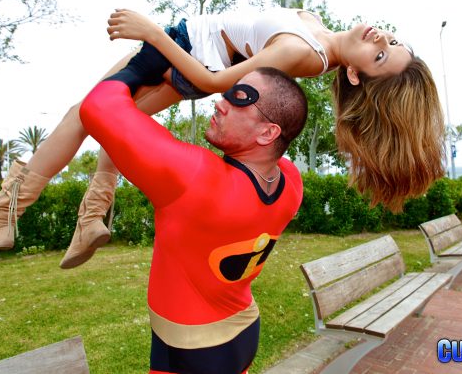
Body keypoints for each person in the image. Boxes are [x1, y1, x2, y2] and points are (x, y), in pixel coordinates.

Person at [0, 6, 445, 268]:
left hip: (180, 50)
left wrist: (152, 33)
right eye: (392, 40)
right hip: (188, 50)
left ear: (355, 75)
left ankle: (3, 217)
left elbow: (213, 81)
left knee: (84, 112)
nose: (381, 38)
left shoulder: (305, 54)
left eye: (381, 56)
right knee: (112, 122)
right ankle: (91, 219)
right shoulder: (315, 30)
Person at [81, 67, 307, 374]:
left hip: (193, 349)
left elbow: (99, 106)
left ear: (268, 133)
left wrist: (144, 63)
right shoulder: (291, 183)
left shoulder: (196, 178)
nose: (220, 102)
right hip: (242, 329)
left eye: (240, 98)